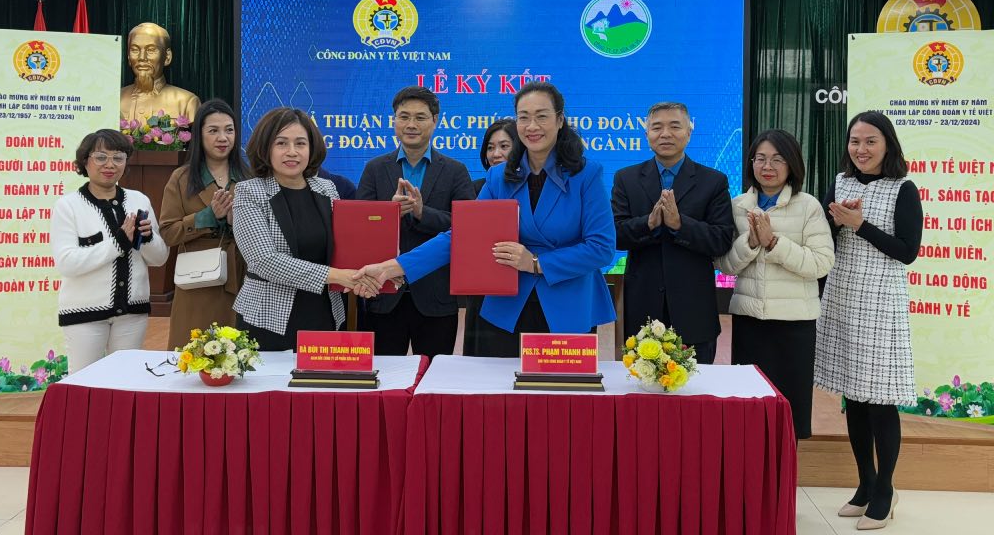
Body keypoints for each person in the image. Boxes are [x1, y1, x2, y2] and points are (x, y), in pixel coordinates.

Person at [355, 82, 616, 357]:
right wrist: (392, 268)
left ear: (560, 120)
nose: (531, 126)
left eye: (541, 116)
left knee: (560, 395)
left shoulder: (586, 174)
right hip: (509, 304)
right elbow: (462, 236)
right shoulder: (499, 177)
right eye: (523, 117)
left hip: (568, 304)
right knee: (502, 396)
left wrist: (536, 263)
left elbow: (601, 248)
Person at [815, 111, 922, 528]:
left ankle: (886, 490)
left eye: (870, 141)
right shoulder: (840, 183)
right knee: (853, 398)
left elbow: (907, 251)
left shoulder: (903, 189)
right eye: (854, 141)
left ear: (887, 145)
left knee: (879, 401)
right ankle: (864, 483)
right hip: (841, 298)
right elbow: (825, 236)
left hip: (881, 303)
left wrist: (860, 225)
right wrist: (837, 221)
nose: (860, 149)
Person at [715, 129, 834, 440]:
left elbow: (821, 264)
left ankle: (784, 483)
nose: (767, 166)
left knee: (789, 416)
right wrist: (751, 243)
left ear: (792, 164)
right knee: (749, 412)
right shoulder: (738, 206)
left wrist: (774, 244)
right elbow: (724, 264)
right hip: (749, 322)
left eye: (777, 159)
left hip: (795, 326)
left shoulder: (808, 206)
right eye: (760, 158)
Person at [231, 108, 377, 351]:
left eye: (300, 143)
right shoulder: (249, 192)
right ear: (265, 148)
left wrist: (373, 271)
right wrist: (339, 276)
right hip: (269, 319)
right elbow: (263, 261)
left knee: (320, 387)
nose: (292, 152)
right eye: (281, 143)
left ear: (312, 148)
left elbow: (346, 246)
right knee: (273, 388)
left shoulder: (327, 189)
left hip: (325, 313)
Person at [611, 101, 734, 365]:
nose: (665, 134)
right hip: (642, 308)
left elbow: (721, 240)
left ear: (689, 132)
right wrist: (649, 224)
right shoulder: (626, 179)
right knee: (642, 395)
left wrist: (680, 225)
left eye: (674, 126)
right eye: (657, 127)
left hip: (694, 310)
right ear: (647, 134)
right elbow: (615, 235)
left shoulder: (713, 181)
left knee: (695, 395)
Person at [355, 86, 475, 357]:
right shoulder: (374, 169)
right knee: (384, 379)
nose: (411, 124)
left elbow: (468, 228)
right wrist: (388, 215)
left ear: (435, 121)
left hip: (436, 296)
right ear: (393, 121)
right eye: (404, 116)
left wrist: (422, 212)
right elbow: (359, 226)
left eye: (420, 117)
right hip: (383, 295)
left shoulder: (455, 171)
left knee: (434, 379)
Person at [50, 129, 169, 372]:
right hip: (83, 314)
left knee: (125, 382)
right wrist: (119, 242)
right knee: (85, 385)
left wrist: (146, 238)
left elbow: (159, 258)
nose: (110, 164)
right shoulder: (68, 206)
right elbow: (67, 263)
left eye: (118, 157)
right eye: (101, 157)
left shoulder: (139, 200)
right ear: (85, 161)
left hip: (132, 313)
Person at [160, 99, 250, 349]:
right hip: (197, 282)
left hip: (241, 280)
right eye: (214, 131)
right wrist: (206, 217)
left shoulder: (249, 177)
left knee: (240, 358)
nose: (223, 137)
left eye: (229, 130)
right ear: (200, 135)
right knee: (194, 356)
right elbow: (167, 233)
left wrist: (236, 223)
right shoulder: (182, 178)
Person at [463, 118, 518, 355]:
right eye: (490, 147)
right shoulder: (475, 189)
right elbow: (462, 237)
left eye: (504, 146)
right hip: (484, 290)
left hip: (523, 288)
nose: (496, 154)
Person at [119, 22, 200, 123]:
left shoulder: (187, 102)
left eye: (151, 50)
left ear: (167, 57)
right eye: (135, 50)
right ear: (128, 57)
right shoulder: (114, 99)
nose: (142, 57)